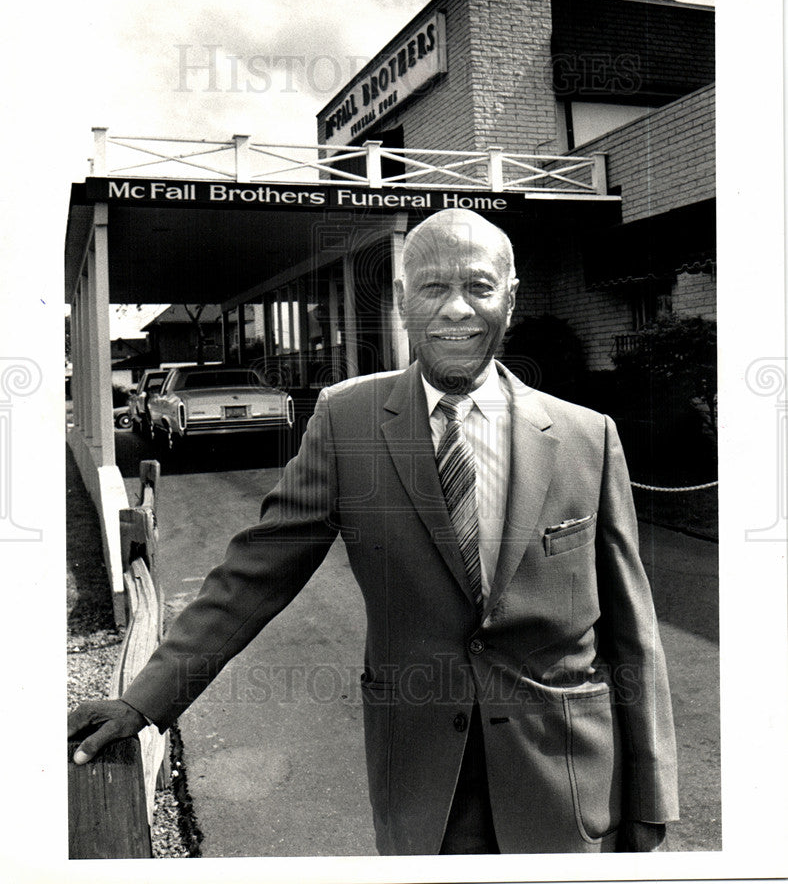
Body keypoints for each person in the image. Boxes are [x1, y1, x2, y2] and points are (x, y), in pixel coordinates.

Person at [69, 209, 678, 854]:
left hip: (569, 785)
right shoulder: (346, 423)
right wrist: (143, 703)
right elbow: (253, 575)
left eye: (478, 286)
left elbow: (633, 634)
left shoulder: (589, 438)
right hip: (423, 784)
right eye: (433, 288)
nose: (455, 311)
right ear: (400, 299)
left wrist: (651, 791)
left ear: (511, 297)